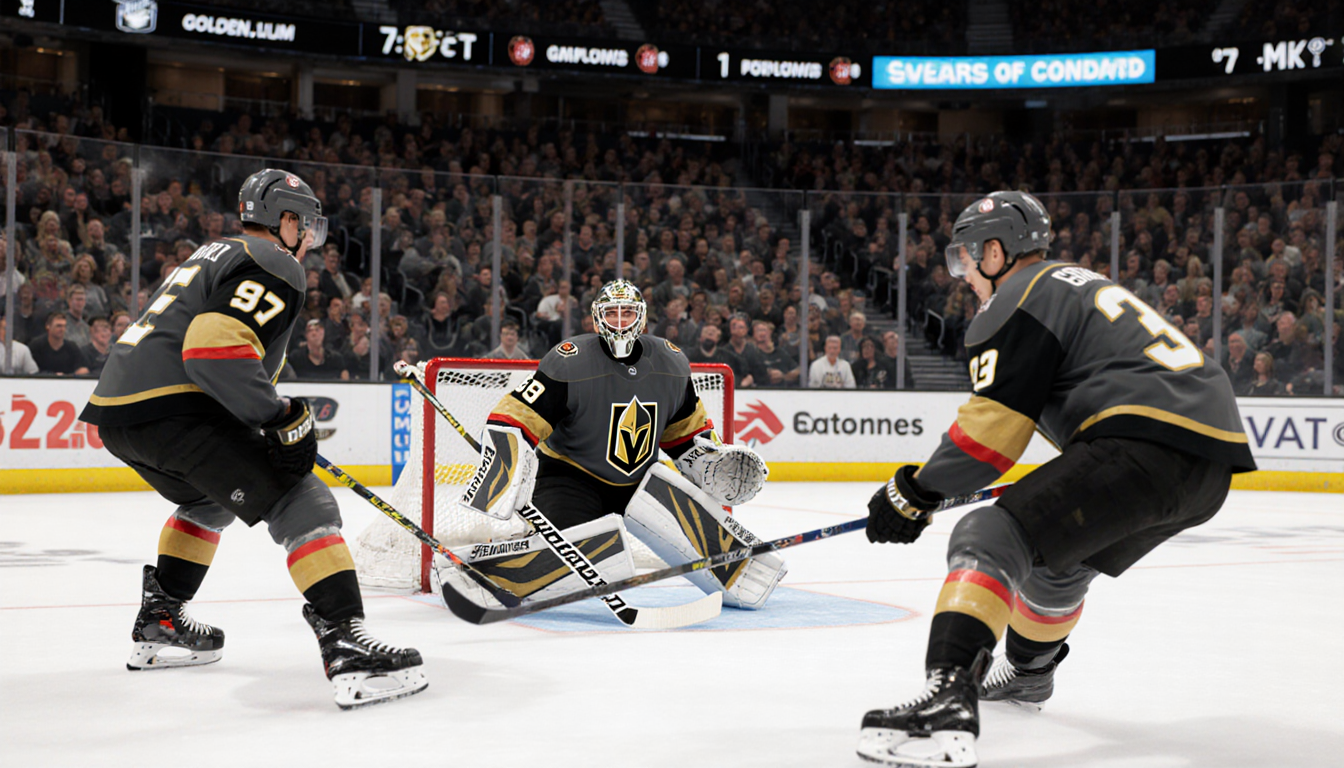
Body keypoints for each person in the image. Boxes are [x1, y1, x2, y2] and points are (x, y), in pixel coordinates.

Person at [857, 191, 1255, 768]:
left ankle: (948, 695)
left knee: (989, 535)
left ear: (995, 251)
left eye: (967, 257)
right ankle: (1028, 674)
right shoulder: (1074, 282)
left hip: (1142, 443)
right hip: (1206, 468)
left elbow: (992, 438)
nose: (964, 272)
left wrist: (913, 493)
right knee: (1058, 561)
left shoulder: (1018, 297)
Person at [79, 169, 425, 709]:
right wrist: (278, 415)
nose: (308, 235)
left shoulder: (217, 250)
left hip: (121, 415)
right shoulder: (274, 262)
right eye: (303, 223)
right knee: (302, 499)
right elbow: (213, 350)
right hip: (176, 409)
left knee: (207, 501)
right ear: (282, 220)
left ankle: (162, 618)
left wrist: (260, 417)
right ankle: (347, 643)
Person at [447, 280, 783, 613]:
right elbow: (515, 416)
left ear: (642, 317)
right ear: (597, 318)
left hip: (640, 479)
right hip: (570, 479)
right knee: (593, 559)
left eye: (627, 313)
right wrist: (511, 466)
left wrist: (710, 463)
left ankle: (732, 563)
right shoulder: (570, 361)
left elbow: (685, 436)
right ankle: (488, 564)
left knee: (746, 574)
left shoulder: (671, 362)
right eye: (612, 313)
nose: (619, 321)